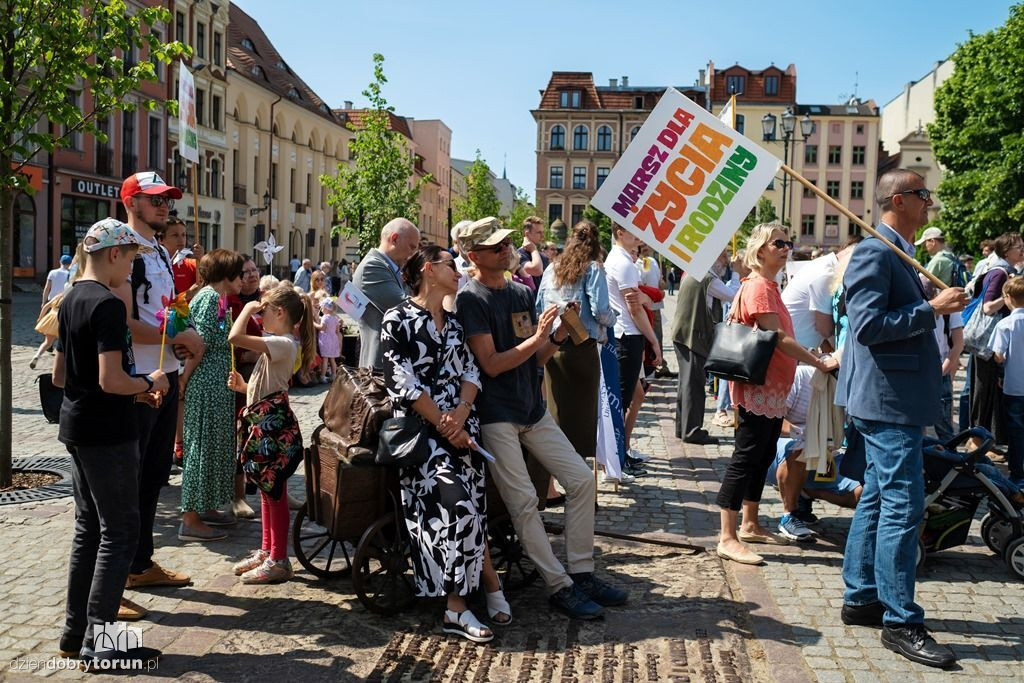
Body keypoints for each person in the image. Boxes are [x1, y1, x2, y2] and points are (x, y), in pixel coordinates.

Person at [456, 216, 627, 619]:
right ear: (473, 255)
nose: (505, 249)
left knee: (582, 480)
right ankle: (558, 584)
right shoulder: (471, 298)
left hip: (531, 409)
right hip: (496, 415)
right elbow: (492, 364)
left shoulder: (520, 291)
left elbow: (535, 359)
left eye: (506, 243)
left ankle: (581, 571)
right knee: (524, 503)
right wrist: (538, 338)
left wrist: (557, 338)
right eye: (496, 245)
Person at [836, 169, 965, 668]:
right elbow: (866, 327)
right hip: (886, 403)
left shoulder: (898, 253)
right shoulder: (875, 250)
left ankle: (862, 596)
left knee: (875, 500)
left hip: (891, 399)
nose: (929, 203)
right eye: (923, 195)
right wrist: (931, 308)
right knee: (902, 506)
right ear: (898, 200)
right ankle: (901, 620)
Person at [52, 218, 168, 667]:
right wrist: (149, 381)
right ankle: (100, 645)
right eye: (132, 257)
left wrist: (128, 385)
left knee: (89, 530)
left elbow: (62, 376)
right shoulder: (105, 304)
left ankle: (74, 633)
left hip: (77, 426)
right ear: (115, 253)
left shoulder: (70, 299)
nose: (132, 268)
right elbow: (111, 378)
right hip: (107, 432)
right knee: (120, 531)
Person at [381, 244, 510, 642]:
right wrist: (443, 422)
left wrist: (462, 412)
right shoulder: (397, 318)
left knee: (472, 510)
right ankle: (457, 609)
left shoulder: (454, 324)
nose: (459, 272)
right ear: (427, 269)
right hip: (422, 439)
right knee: (459, 509)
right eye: (451, 265)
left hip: (461, 435)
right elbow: (400, 380)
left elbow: (472, 370)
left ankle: (489, 586)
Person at [715, 224, 839, 567]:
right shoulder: (758, 287)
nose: (786, 248)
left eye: (789, 242)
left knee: (764, 452)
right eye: (778, 243)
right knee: (746, 456)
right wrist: (818, 360)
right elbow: (779, 337)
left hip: (772, 387)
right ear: (760, 250)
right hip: (757, 386)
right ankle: (727, 536)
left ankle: (750, 523)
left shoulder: (769, 285)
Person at [114, 172, 199, 604]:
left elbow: (165, 313)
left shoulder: (160, 252)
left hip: (164, 375)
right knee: (130, 483)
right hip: (139, 382)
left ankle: (141, 564)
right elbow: (124, 325)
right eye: (155, 199)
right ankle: (120, 574)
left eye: (167, 198)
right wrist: (180, 339)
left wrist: (182, 334)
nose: (165, 206)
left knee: (153, 478)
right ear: (131, 201)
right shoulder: (124, 250)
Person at [227, 286, 313, 583]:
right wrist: (244, 387)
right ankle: (268, 551)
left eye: (265, 311)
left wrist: (248, 309)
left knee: (274, 493)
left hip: (272, 427)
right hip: (265, 421)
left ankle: (279, 558)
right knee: (267, 491)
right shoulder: (280, 343)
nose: (261, 315)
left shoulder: (284, 343)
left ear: (280, 313)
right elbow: (265, 385)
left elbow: (234, 337)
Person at [535, 221, 616, 468]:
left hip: (553, 348)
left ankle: (552, 476)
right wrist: (614, 320)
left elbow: (539, 306)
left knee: (555, 411)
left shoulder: (553, 267)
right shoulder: (593, 268)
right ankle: (576, 476)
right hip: (581, 348)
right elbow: (601, 310)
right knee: (582, 418)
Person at [179, 249, 244, 541]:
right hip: (206, 383)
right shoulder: (209, 297)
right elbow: (199, 344)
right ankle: (190, 519)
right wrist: (184, 378)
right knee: (201, 448)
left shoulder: (220, 299)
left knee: (214, 446)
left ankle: (205, 506)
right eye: (239, 275)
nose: (243, 280)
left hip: (217, 384)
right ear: (227, 275)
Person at [766, 365, 864, 538]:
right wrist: (804, 434)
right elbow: (772, 419)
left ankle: (804, 491)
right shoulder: (802, 376)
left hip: (826, 455)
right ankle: (789, 515)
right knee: (803, 447)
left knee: (862, 492)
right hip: (784, 446)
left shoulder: (854, 391)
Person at [605, 225, 661, 473]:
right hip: (626, 336)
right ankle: (614, 461)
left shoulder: (623, 259)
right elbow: (634, 307)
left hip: (625, 334)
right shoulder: (624, 262)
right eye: (632, 230)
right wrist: (654, 340)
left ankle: (622, 450)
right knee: (621, 401)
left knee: (636, 396)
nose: (639, 234)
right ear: (619, 233)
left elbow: (638, 300)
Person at [672, 251, 736, 445]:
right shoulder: (708, 278)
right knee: (694, 386)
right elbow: (732, 295)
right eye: (724, 256)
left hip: (684, 334)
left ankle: (683, 428)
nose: (726, 261)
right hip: (694, 336)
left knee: (686, 384)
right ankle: (692, 431)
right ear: (715, 259)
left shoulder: (695, 273)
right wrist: (737, 274)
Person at [969, 232, 1023, 449]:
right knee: (984, 392)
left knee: (988, 391)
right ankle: (976, 441)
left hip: (991, 343)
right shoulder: (1001, 273)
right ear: (1006, 250)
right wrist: (1009, 294)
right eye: (1018, 246)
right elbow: (988, 307)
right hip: (989, 343)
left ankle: (984, 441)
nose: (1022, 249)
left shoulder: (1004, 270)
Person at [352, 217, 420, 370]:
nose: (413, 253)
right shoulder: (373, 266)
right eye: (411, 247)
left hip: (389, 360)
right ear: (394, 238)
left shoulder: (387, 266)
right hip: (380, 363)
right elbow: (406, 306)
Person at [782, 241, 858, 352]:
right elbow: (825, 329)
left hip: (794, 344)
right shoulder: (828, 274)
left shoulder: (822, 264)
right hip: (794, 349)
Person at [990, 276, 1024, 488]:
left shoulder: (1006, 324)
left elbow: (999, 355)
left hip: (1015, 385)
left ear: (1008, 298)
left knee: (1016, 432)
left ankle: (1017, 474)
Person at [30, 255, 73, 369]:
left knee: (47, 340)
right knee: (66, 340)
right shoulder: (69, 275)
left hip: (53, 305)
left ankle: (37, 355)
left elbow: (46, 288)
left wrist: (43, 303)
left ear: (60, 262)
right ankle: (63, 363)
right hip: (65, 305)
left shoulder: (53, 272)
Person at [518, 216, 548, 289]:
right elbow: (536, 270)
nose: (542, 236)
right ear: (527, 234)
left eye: (543, 232)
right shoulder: (519, 254)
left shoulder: (542, 256)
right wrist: (533, 249)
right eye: (539, 233)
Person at [315, 298, 341, 383]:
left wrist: (314, 324)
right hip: (333, 339)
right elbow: (337, 331)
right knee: (332, 359)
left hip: (325, 340)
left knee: (325, 359)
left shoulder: (325, 318)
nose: (321, 309)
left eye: (322, 307)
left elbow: (322, 328)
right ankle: (334, 375)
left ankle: (322, 376)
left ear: (326, 308)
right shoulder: (335, 318)